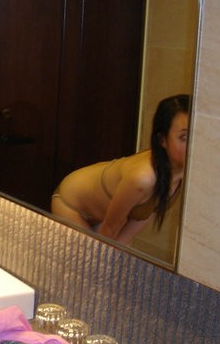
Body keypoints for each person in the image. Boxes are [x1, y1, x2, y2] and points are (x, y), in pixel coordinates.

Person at [51, 94, 189, 244]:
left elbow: (138, 221)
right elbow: (109, 230)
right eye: (184, 137)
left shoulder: (181, 173)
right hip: (70, 204)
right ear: (162, 140)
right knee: (92, 254)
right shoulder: (143, 178)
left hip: (100, 216)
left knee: (115, 253)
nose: (193, 145)